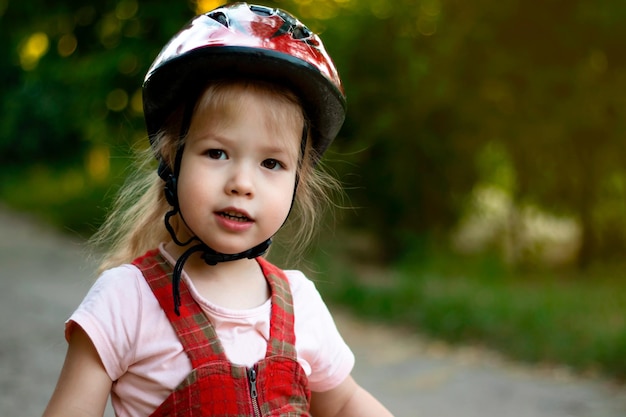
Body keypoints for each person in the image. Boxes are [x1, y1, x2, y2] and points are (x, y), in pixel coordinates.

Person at [43, 3, 394, 417]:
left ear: (298, 182)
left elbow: (343, 405)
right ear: (173, 160)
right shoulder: (126, 301)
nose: (242, 183)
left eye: (271, 163)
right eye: (217, 152)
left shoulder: (301, 305)